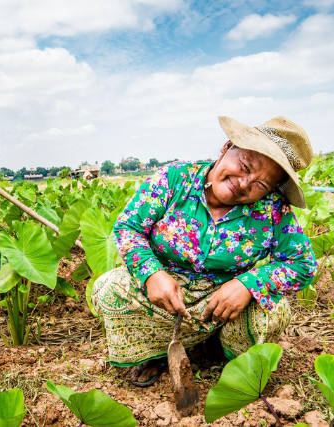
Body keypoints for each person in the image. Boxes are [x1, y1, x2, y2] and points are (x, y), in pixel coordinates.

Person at [91, 116, 318, 387]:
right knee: (109, 288)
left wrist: (248, 284)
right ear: (227, 147)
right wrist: (152, 274)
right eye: (244, 166)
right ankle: (155, 351)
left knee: (272, 311)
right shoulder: (175, 179)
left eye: (261, 184)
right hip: (167, 294)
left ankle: (215, 349)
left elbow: (303, 264)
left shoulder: (273, 209)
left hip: (223, 303)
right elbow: (128, 227)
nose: (245, 183)